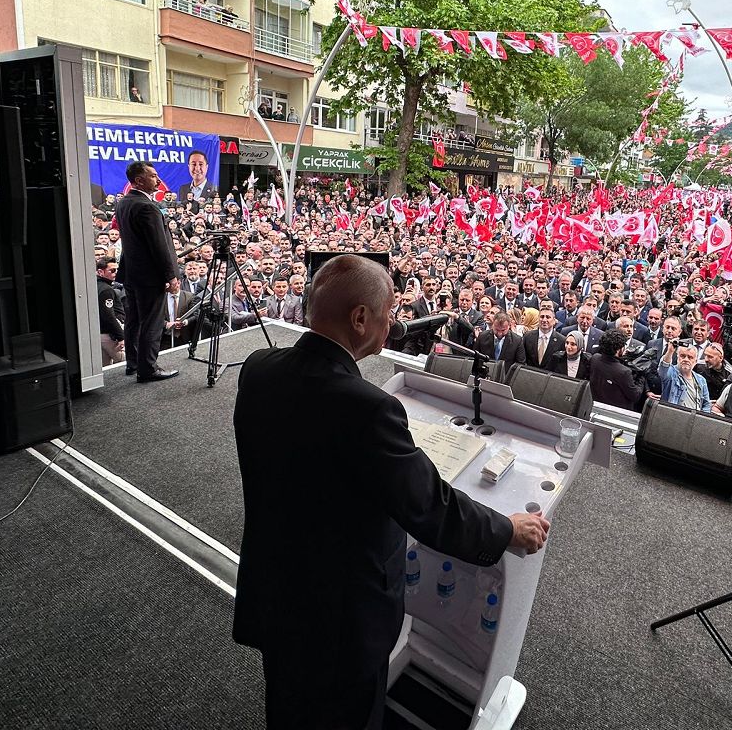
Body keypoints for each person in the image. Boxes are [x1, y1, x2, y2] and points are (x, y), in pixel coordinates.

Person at [232, 254, 549, 729]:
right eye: (388, 312)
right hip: (340, 619)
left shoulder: (259, 367)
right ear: (360, 318)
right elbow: (430, 507)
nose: (393, 323)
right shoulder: (367, 409)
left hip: (276, 590)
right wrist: (506, 529)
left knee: (287, 703)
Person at [115, 162, 179, 382]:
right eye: (153, 176)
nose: (158, 180)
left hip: (132, 273)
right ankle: (148, 369)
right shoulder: (147, 207)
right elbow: (159, 246)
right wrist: (170, 275)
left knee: (133, 320)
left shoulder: (124, 203)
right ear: (139, 180)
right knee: (152, 322)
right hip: (150, 277)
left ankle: (133, 363)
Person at [588, 328, 643, 411]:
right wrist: (641, 378)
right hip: (616, 412)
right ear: (618, 349)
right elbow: (635, 396)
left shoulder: (595, 358)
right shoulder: (624, 372)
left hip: (595, 407)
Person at [657, 341, 711, 411]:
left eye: (690, 357)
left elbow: (706, 405)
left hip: (694, 416)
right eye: (682, 356)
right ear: (677, 358)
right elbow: (663, 367)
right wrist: (670, 351)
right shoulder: (671, 373)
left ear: (695, 361)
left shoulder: (701, 380)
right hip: (671, 414)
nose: (686, 359)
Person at [96, 256, 125, 366]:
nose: (116, 273)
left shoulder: (95, 285)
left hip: (100, 333)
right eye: (112, 270)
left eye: (117, 270)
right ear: (100, 272)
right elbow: (108, 316)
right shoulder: (106, 290)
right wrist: (121, 336)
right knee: (127, 363)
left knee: (105, 367)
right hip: (108, 335)